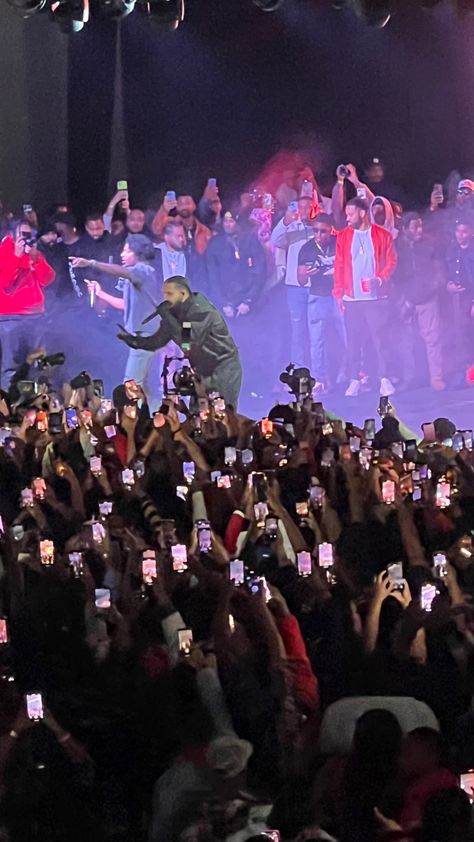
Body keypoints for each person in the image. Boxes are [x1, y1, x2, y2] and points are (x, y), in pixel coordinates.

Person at [117, 275, 242, 408]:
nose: (166, 298)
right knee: (197, 415)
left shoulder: (200, 311)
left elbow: (187, 341)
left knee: (222, 413)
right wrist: (135, 341)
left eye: (169, 294)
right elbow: (159, 340)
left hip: (223, 368)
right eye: (164, 294)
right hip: (202, 371)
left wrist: (167, 316)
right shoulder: (176, 314)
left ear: (183, 293)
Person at [69, 234, 162, 408]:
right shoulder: (137, 276)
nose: (122, 254)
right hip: (148, 336)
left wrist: (91, 263)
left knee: (131, 385)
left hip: (145, 337)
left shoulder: (143, 271)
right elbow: (125, 305)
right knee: (149, 387)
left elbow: (121, 271)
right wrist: (100, 293)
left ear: (138, 253)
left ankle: (136, 425)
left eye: (127, 250)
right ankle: (154, 422)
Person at [333, 196, 397, 397]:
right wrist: (338, 294)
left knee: (379, 339)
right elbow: (339, 266)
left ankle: (384, 378)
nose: (347, 217)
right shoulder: (343, 237)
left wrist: (380, 279)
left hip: (375, 299)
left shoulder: (382, 235)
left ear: (362, 213)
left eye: (350, 213)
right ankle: (354, 379)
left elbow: (392, 260)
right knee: (354, 340)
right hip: (352, 298)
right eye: (346, 214)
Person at [0, 221, 55, 387]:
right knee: (11, 366)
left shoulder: (33, 253)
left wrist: (36, 258)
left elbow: (48, 279)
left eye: (29, 234)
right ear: (12, 234)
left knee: (37, 363)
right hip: (10, 318)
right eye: (23, 234)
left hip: (36, 316)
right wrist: (16, 257)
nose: (27, 238)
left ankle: (36, 406)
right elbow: (5, 283)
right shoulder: (4, 251)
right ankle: (8, 407)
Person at [394, 213, 446, 391]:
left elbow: (439, 271)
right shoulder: (397, 246)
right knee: (406, 341)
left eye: (421, 226)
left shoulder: (430, 243)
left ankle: (436, 378)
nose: (419, 230)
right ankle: (410, 378)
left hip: (427, 298)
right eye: (415, 227)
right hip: (406, 300)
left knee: (432, 339)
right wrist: (402, 297)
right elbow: (395, 273)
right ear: (404, 229)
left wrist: (431, 288)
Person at [296, 213, 346, 393]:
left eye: (323, 231)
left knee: (348, 336)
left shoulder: (339, 243)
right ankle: (320, 378)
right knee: (317, 340)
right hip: (317, 295)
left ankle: (354, 372)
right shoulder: (306, 249)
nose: (318, 235)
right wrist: (304, 274)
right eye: (315, 230)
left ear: (331, 230)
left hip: (339, 295)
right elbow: (300, 280)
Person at [270, 195, 316, 366]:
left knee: (316, 331)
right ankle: (298, 368)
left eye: (307, 207)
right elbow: (275, 240)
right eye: (301, 207)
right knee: (297, 330)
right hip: (294, 287)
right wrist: (287, 220)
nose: (304, 211)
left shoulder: (319, 228)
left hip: (316, 286)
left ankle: (317, 370)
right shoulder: (291, 228)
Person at [206, 210, 266, 317]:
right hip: (225, 302)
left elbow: (259, 271)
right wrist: (223, 302)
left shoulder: (250, 241)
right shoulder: (215, 243)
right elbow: (212, 275)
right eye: (225, 221)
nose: (227, 225)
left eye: (231, 221)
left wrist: (249, 299)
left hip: (247, 300)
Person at [152, 192, 212, 294]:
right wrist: (165, 209)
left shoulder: (204, 230)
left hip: (196, 276)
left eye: (187, 202)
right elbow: (157, 229)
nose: (184, 206)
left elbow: (208, 261)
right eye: (180, 203)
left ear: (194, 206)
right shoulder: (170, 224)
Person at [445, 219, 474, 385]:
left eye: (464, 231)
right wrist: (447, 284)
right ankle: (466, 371)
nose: (460, 235)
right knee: (461, 335)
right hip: (457, 298)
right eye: (458, 231)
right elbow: (446, 271)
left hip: (470, 296)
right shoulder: (452, 250)